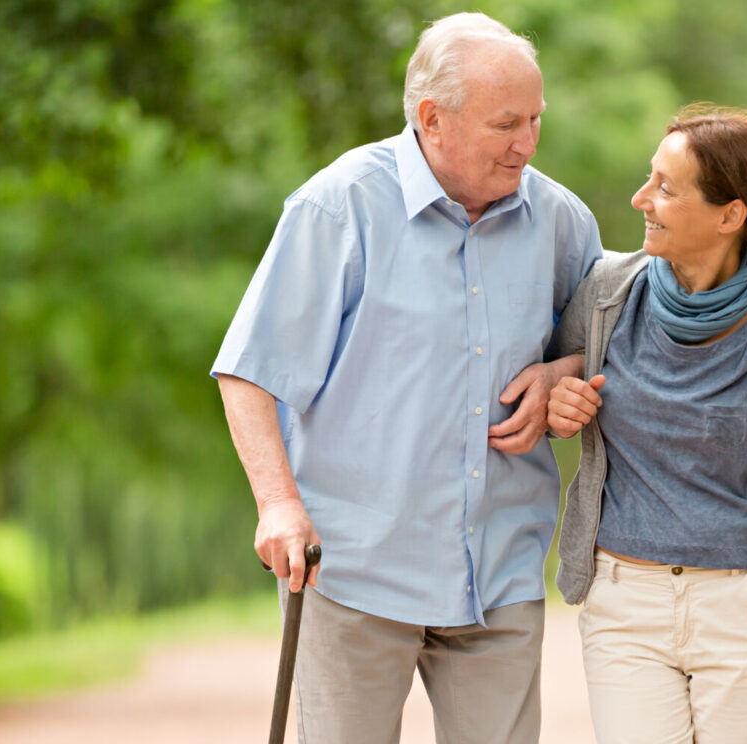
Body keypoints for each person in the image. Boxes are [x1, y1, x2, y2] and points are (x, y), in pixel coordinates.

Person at [209, 13, 600, 744]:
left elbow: (613, 341)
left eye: (536, 120)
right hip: (355, 571)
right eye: (506, 123)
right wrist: (277, 505)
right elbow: (248, 372)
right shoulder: (340, 207)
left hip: (500, 574)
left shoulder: (559, 219)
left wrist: (561, 371)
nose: (527, 142)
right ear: (433, 119)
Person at [544, 105, 747, 744]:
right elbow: (555, 389)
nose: (643, 198)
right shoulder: (607, 295)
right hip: (625, 604)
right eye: (650, 178)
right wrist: (561, 408)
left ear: (731, 215)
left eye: (667, 189)